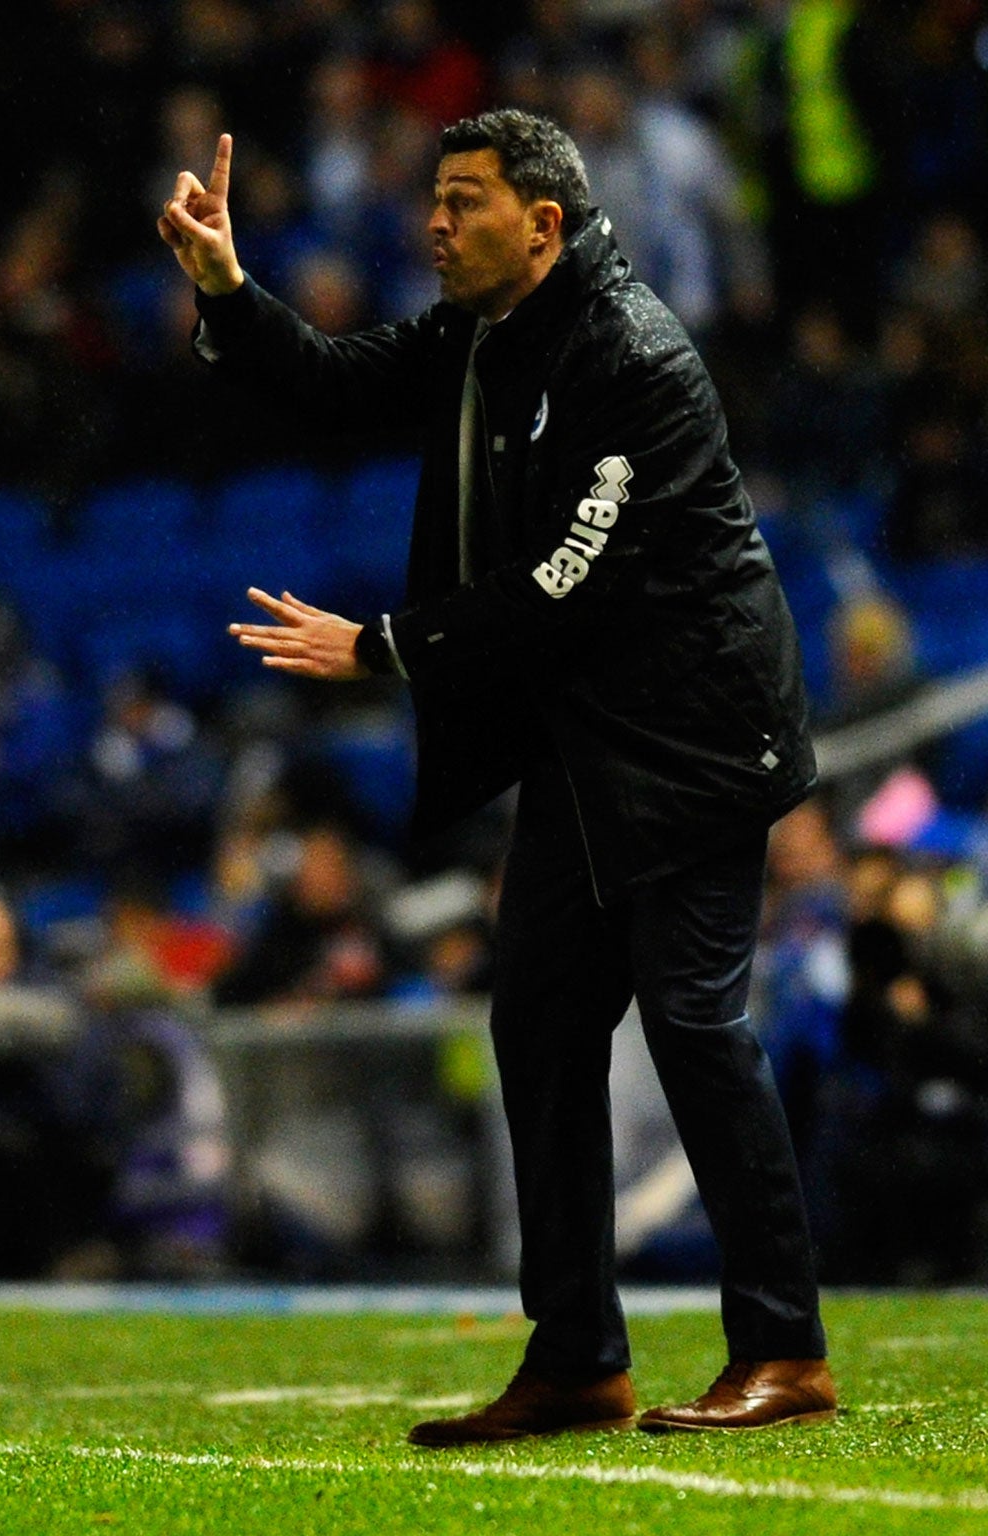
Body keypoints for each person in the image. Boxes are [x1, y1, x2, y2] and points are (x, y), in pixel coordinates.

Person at [162, 110, 836, 1442]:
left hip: (694, 742)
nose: (433, 223)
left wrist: (385, 647)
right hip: (588, 750)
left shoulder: (629, 352)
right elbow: (337, 384)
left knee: (696, 1027)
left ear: (540, 224)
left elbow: (570, 583)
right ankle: (580, 1354)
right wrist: (227, 290)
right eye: (434, 197)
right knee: (535, 1025)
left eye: (464, 201)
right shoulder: (480, 335)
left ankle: (785, 1350)